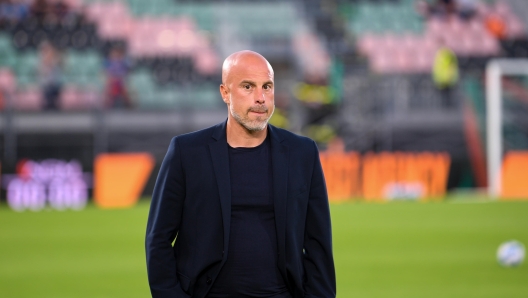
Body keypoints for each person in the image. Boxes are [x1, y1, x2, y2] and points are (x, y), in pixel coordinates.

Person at [145, 50, 336, 298]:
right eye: (248, 87)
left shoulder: (302, 153)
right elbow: (158, 239)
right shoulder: (187, 151)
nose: (261, 98)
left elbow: (318, 244)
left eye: (267, 87)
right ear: (225, 93)